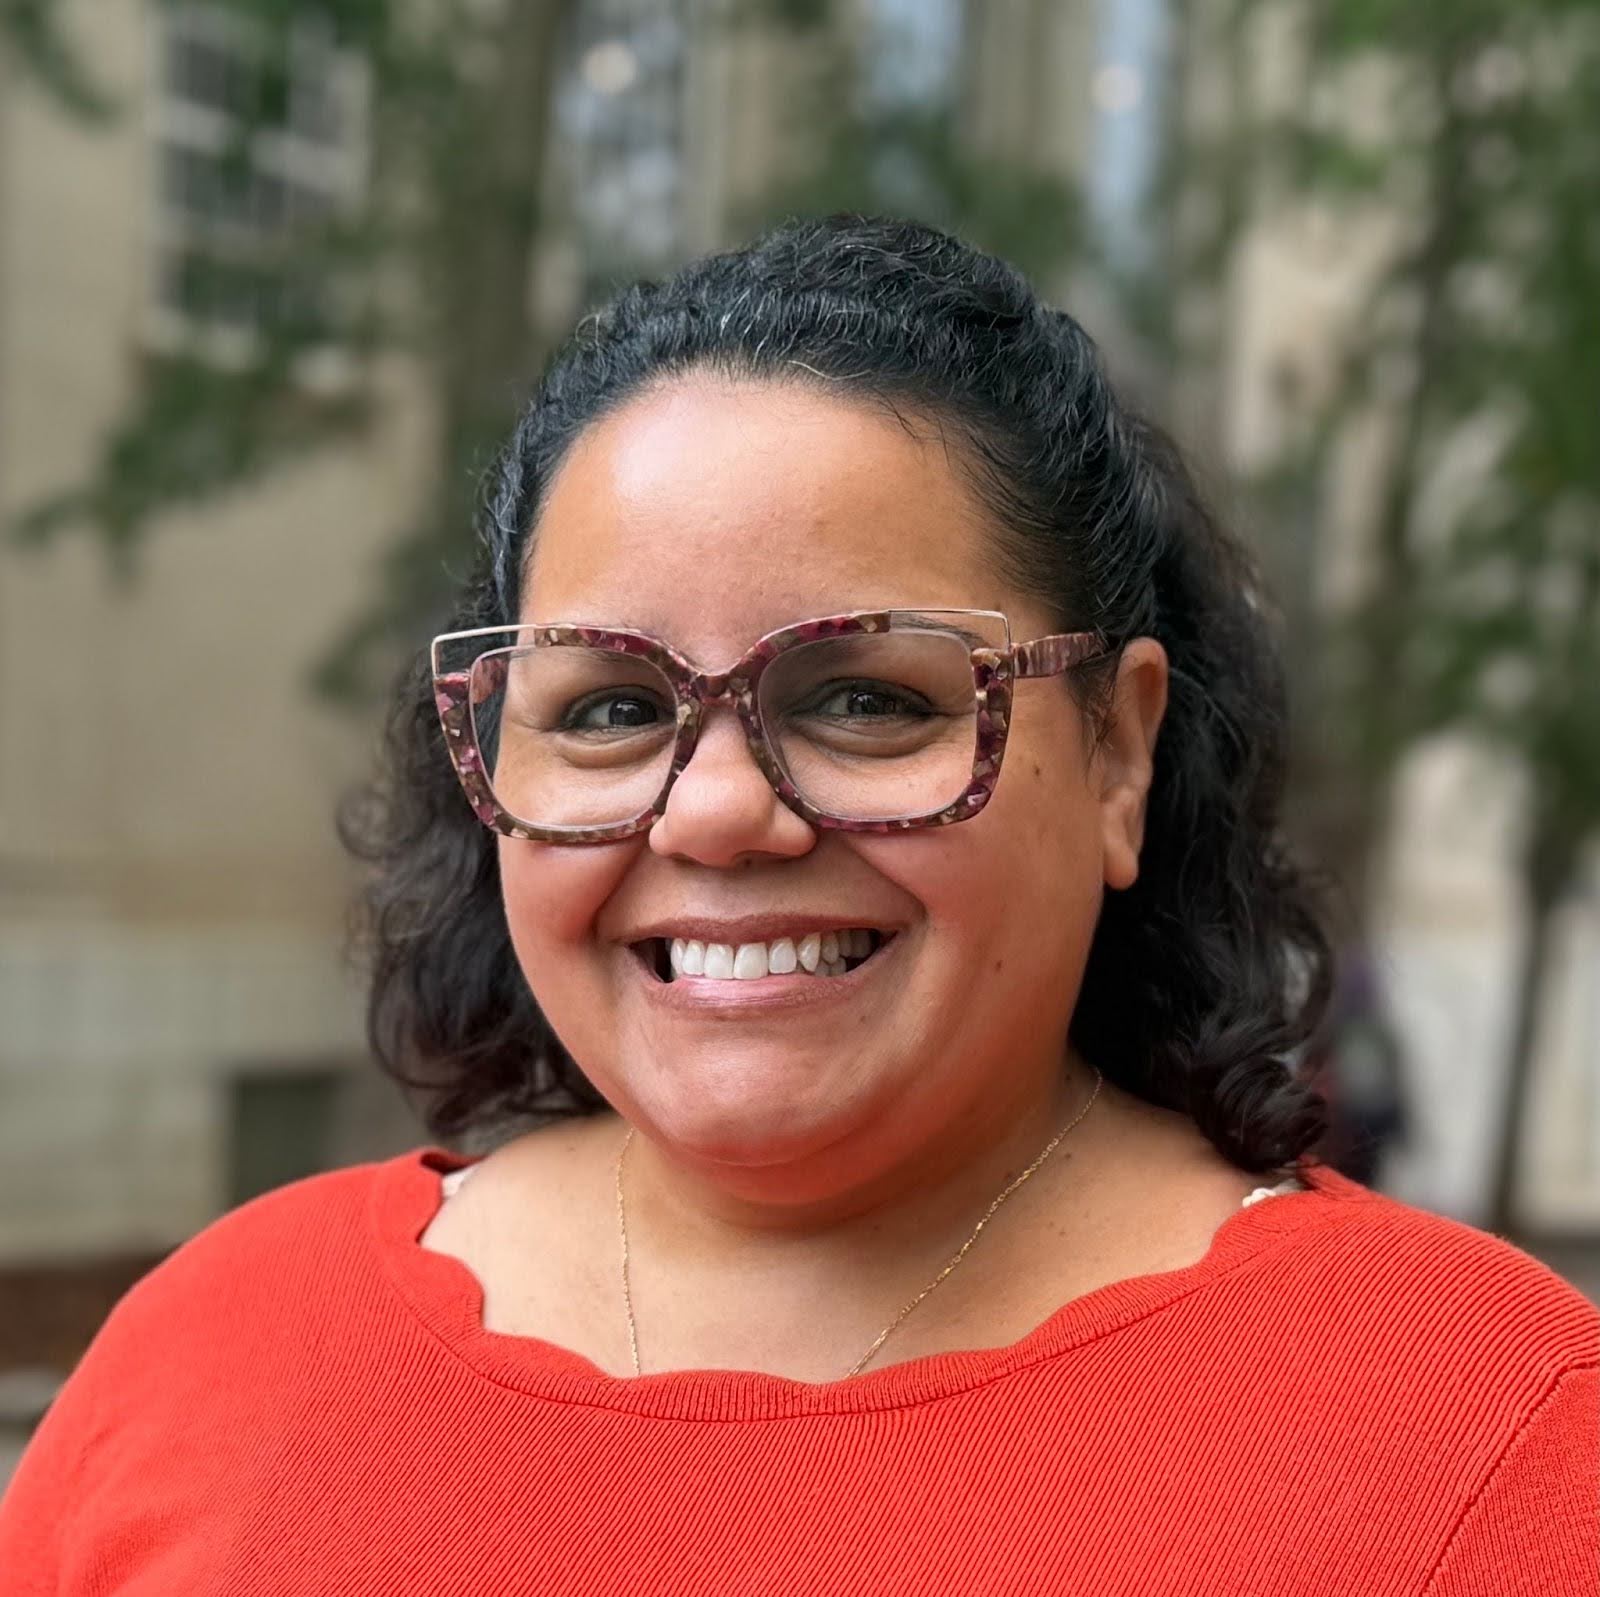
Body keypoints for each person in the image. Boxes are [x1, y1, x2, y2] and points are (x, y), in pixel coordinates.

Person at [2, 217, 1594, 1593]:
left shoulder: (1491, 1441)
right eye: (611, 708)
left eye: (868, 698)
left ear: (1118, 750)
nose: (715, 811)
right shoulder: (215, 1357)